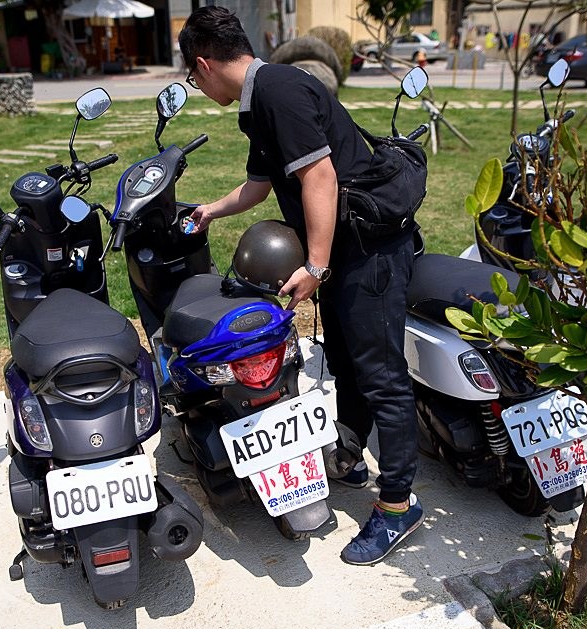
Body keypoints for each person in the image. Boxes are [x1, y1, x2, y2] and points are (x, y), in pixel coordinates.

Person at [179, 6, 423, 566]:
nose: (196, 88)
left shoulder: (279, 93)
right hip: (342, 252)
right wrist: (212, 210)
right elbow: (261, 184)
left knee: (382, 376)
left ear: (203, 63)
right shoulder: (258, 101)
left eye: (193, 79)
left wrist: (314, 266)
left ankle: (397, 504)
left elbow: (320, 175)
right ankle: (352, 455)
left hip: (369, 252)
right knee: (347, 361)